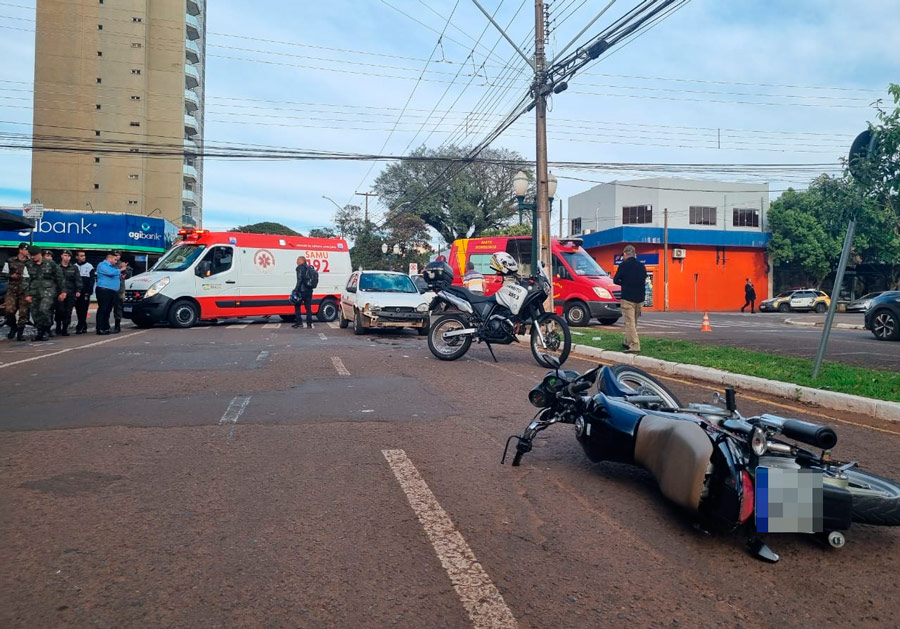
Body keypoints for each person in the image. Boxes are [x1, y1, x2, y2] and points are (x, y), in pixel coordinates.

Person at [24, 245, 65, 342]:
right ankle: (39, 330)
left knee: (44, 309)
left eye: (34, 255)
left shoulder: (51, 264)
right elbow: (25, 280)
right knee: (35, 312)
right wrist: (27, 294)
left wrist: (63, 291)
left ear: (39, 254)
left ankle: (46, 329)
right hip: (34, 291)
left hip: (48, 291)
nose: (32, 257)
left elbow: (60, 278)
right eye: (31, 255)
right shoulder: (28, 265)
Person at [613, 245, 647, 354]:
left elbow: (615, 280)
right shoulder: (641, 266)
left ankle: (635, 345)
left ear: (625, 254)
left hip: (628, 297)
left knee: (629, 322)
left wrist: (624, 283)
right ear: (634, 254)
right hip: (640, 298)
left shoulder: (623, 265)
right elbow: (644, 279)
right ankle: (627, 341)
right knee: (634, 322)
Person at [2, 242, 31, 341]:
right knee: (9, 310)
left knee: (23, 312)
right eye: (25, 249)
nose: (27, 252)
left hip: (24, 289)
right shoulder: (10, 260)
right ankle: (13, 327)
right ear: (20, 250)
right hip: (12, 288)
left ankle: (20, 332)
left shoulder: (30, 262)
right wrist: (11, 276)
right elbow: (4, 274)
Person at [55, 250, 82, 336]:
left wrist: (78, 290)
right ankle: (58, 326)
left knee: (68, 311)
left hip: (70, 292)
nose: (67, 258)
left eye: (69, 256)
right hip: (59, 293)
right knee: (59, 310)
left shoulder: (74, 268)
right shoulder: (57, 267)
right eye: (65, 255)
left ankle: (65, 328)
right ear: (61, 256)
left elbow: (78, 280)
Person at [94, 251, 121, 335]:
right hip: (104, 290)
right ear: (109, 258)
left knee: (108, 310)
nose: (116, 261)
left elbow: (115, 274)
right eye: (115, 259)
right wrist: (121, 270)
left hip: (112, 291)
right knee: (103, 309)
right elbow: (111, 273)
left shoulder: (113, 267)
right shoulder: (102, 265)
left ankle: (106, 327)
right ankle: (100, 328)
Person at [73, 250, 95, 334]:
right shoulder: (74, 266)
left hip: (85, 292)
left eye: (84, 256)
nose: (83, 257)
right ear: (77, 257)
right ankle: (83, 325)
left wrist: (89, 291)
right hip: (77, 292)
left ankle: (80, 326)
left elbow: (92, 280)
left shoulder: (89, 266)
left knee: (84, 309)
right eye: (81, 256)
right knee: (78, 309)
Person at [292, 255, 314, 328]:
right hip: (309, 290)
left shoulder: (300, 268)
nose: (296, 262)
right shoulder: (309, 268)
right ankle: (309, 323)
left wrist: (296, 290)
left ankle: (299, 322)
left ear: (302, 261)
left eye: (298, 260)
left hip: (302, 291)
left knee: (297, 306)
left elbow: (299, 280)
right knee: (308, 308)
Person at [113, 260, 132, 333]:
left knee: (118, 308)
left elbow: (128, 275)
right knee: (107, 308)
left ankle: (117, 325)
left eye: (118, 255)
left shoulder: (123, 265)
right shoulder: (110, 265)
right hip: (110, 289)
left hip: (120, 290)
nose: (117, 257)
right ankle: (105, 326)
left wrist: (126, 268)